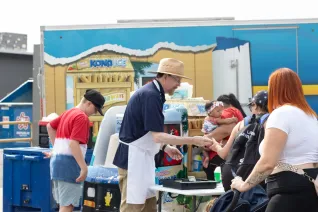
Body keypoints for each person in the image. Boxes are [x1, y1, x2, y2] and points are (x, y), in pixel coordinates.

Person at [112, 58, 214, 212]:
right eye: (177, 79)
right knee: (133, 207)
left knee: (149, 206)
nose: (178, 84)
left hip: (142, 158)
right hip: (132, 159)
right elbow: (157, 136)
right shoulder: (151, 95)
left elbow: (145, 131)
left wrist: (165, 147)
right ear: (165, 76)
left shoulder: (154, 93)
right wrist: (193, 140)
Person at [230, 68, 318, 211]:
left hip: (287, 190)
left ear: (275, 90)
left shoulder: (281, 114)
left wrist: (244, 185)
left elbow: (267, 163)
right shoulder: (311, 116)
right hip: (311, 188)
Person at [44, 89, 105, 212]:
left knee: (64, 204)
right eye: (95, 110)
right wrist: (84, 167)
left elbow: (50, 126)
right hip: (69, 166)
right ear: (89, 103)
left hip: (57, 164)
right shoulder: (82, 117)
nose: (93, 113)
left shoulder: (69, 112)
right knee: (68, 205)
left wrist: (56, 150)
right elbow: (73, 144)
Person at [211, 90, 269, 190]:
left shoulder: (242, 124)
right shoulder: (273, 123)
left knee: (235, 205)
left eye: (251, 106)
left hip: (233, 175)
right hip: (258, 175)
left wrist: (216, 146)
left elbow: (225, 154)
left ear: (255, 105)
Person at [202, 93, 245, 180]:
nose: (221, 113)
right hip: (234, 157)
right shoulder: (240, 114)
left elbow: (227, 129)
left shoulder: (229, 112)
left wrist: (203, 142)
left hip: (221, 157)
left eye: (220, 110)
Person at [201, 100, 238, 168]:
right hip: (213, 142)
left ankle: (206, 157)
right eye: (218, 111)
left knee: (204, 149)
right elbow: (225, 121)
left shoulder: (207, 118)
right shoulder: (216, 119)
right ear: (210, 113)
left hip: (206, 138)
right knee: (218, 144)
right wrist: (232, 119)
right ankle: (207, 157)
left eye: (221, 111)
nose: (221, 113)